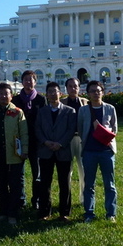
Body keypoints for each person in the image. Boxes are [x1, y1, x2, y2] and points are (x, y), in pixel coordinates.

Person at [0, 82, 28, 226]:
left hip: (14, 154)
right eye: (1, 94)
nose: (3, 96)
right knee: (1, 184)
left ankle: (13, 213)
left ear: (11, 96)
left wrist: (25, 150)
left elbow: (24, 133)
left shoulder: (18, 112)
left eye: (6, 94)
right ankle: (3, 212)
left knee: (15, 185)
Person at [78, 80, 118, 223]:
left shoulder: (110, 108)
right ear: (88, 94)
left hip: (107, 151)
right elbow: (80, 129)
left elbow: (115, 129)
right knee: (89, 184)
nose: (96, 93)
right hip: (89, 151)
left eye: (98, 90)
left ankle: (111, 213)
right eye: (92, 91)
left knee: (109, 184)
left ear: (102, 92)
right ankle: (89, 213)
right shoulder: (83, 110)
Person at [35, 81, 76, 221]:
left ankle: (64, 212)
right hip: (46, 150)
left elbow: (71, 130)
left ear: (61, 93)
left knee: (64, 183)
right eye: (50, 92)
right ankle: (44, 212)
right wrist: (46, 142)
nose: (53, 94)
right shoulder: (42, 112)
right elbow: (37, 129)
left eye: (55, 91)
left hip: (63, 151)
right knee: (45, 183)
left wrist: (60, 143)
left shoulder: (69, 111)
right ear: (46, 95)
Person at [12, 70, 46, 210]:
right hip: (19, 140)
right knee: (18, 172)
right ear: (22, 82)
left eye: (31, 79)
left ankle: (36, 199)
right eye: (26, 79)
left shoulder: (41, 100)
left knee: (36, 173)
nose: (28, 82)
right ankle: (21, 199)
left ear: (35, 82)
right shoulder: (15, 100)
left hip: (36, 141)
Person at [60, 77, 88, 204]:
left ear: (79, 88)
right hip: (67, 140)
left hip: (82, 139)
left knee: (83, 169)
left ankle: (84, 198)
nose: (73, 88)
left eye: (75, 86)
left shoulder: (85, 102)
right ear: (66, 88)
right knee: (67, 170)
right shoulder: (62, 103)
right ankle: (67, 199)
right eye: (70, 86)